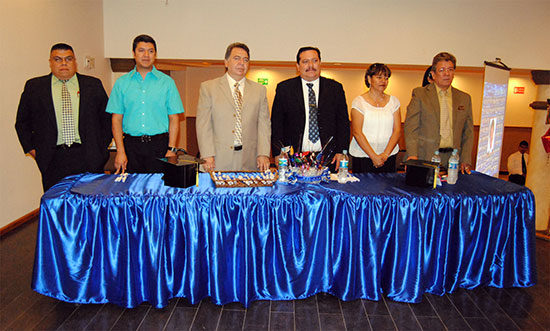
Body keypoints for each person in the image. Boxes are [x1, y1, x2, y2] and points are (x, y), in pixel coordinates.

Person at [15, 43, 111, 191]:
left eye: (68, 59)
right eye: (58, 59)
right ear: (50, 62)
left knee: (89, 205)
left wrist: (100, 148)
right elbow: (22, 122)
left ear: (75, 62)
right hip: (52, 158)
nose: (64, 63)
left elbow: (106, 119)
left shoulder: (92, 85)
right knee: (57, 205)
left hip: (88, 156)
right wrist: (33, 150)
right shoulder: (35, 87)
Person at [106, 34, 184, 174]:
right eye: (141, 50)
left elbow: (174, 118)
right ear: (134, 54)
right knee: (131, 190)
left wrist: (171, 149)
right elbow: (116, 120)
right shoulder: (122, 83)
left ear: (155, 54)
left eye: (151, 51)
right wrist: (120, 151)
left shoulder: (167, 83)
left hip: (160, 146)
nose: (146, 55)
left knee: (158, 191)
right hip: (131, 147)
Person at [271, 46, 350, 171]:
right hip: (293, 156)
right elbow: (277, 124)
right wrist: (277, 153)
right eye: (305, 61)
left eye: (314, 60)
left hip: (328, 157)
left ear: (320, 63)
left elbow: (343, 123)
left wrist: (341, 151)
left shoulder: (335, 88)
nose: (311, 65)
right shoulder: (284, 89)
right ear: (297, 66)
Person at [196, 42, 270, 172]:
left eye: (245, 59)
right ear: (226, 62)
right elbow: (203, 124)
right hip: (217, 159)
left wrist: (263, 153)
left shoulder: (260, 90)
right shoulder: (209, 88)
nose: (241, 62)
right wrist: (207, 154)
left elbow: (264, 125)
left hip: (249, 159)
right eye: (236, 58)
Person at [404, 52, 474, 173]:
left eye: (450, 69)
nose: (447, 73)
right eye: (442, 70)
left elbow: (468, 132)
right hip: (425, 156)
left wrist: (466, 158)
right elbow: (411, 128)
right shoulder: (420, 94)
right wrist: (412, 155)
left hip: (453, 159)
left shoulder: (464, 98)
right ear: (433, 74)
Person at [349, 63, 402, 173]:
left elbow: (397, 130)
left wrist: (385, 154)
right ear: (369, 79)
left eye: (386, 78)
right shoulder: (359, 102)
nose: (383, 81)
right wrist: (373, 156)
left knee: (388, 190)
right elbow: (357, 132)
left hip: (388, 157)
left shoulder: (394, 102)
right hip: (363, 157)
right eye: (379, 77)